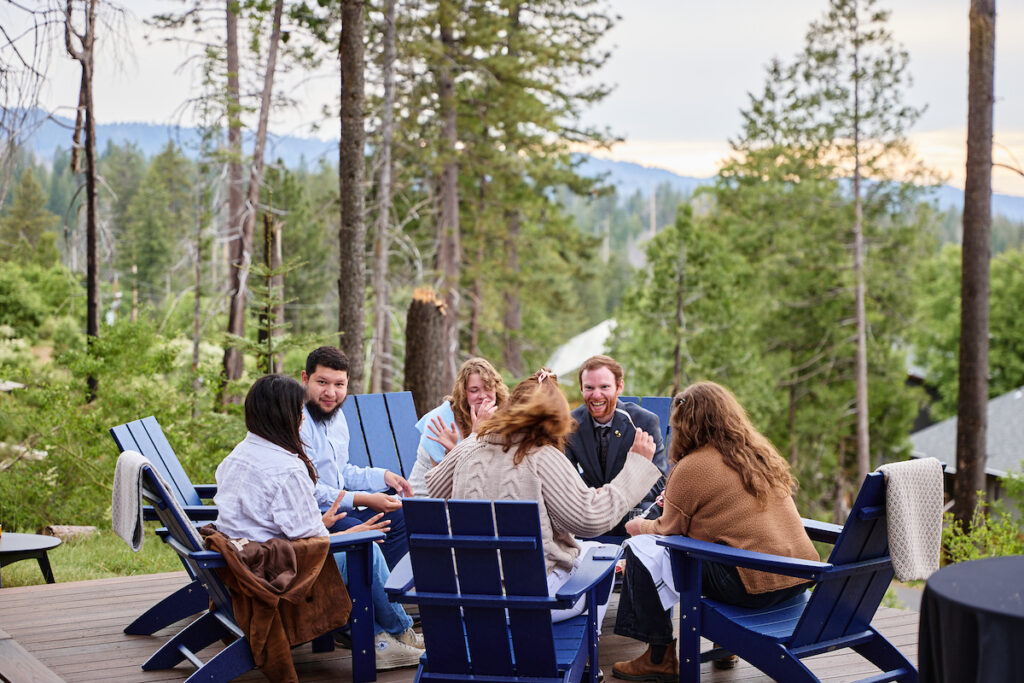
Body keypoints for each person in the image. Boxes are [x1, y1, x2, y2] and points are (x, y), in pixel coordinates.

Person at [611, 381, 819, 682]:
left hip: (752, 587)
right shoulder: (757, 455)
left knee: (644, 549)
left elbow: (666, 530)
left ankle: (659, 658)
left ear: (687, 425)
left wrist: (637, 527)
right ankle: (727, 645)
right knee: (720, 540)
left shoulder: (693, 465)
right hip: (796, 577)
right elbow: (733, 520)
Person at [213, 374, 424, 671]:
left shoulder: (236, 457)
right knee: (366, 550)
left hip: (246, 568)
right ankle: (393, 636)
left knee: (358, 538)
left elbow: (283, 524)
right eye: (299, 411)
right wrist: (353, 533)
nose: (302, 418)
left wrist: (326, 523)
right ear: (283, 415)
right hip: (278, 579)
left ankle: (389, 635)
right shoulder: (287, 467)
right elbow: (311, 544)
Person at [425, 368, 663, 626]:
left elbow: (435, 490)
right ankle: (583, 654)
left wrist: (473, 436)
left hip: (468, 596)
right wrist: (637, 466)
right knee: (603, 555)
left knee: (585, 551)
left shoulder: (470, 448)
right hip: (531, 602)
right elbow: (591, 519)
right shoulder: (542, 456)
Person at [299, 346, 412, 570]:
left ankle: (380, 594)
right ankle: (365, 599)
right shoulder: (298, 422)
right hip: (314, 517)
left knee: (402, 518)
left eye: (339, 384)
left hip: (342, 508)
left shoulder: (337, 417)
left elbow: (343, 472)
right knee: (364, 533)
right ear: (305, 378)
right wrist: (363, 499)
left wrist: (384, 476)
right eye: (322, 382)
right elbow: (309, 488)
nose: (331, 392)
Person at [564, 355, 669, 535]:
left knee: (646, 512)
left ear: (619, 387)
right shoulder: (569, 425)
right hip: (591, 512)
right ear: (581, 389)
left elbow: (657, 482)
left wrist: (620, 498)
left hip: (633, 510)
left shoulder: (644, 421)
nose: (596, 395)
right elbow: (565, 477)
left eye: (604, 387)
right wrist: (590, 496)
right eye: (589, 387)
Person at [408, 357, 510, 497]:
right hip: (429, 502)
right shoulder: (440, 420)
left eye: (488, 388)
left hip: (472, 498)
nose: (482, 396)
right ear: (463, 392)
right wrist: (474, 436)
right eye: (474, 390)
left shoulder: (499, 418)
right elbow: (444, 487)